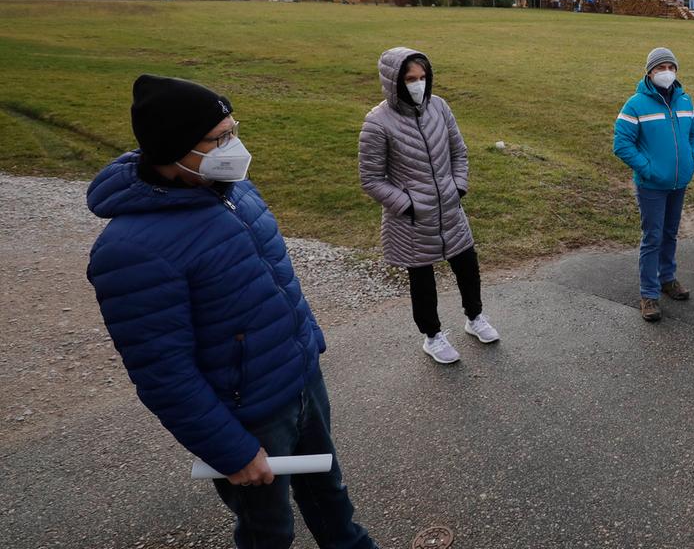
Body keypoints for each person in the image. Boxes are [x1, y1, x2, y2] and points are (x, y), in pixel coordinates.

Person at [86, 74, 376, 549]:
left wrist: (309, 346)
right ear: (173, 149)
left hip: (300, 381)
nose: (234, 147)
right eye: (219, 139)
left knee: (331, 499)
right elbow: (163, 372)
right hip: (248, 418)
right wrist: (231, 450)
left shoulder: (232, 189)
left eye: (234, 131)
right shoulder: (131, 251)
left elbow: (274, 281)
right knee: (268, 531)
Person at [358, 47, 499, 366]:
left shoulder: (440, 107)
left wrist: (458, 186)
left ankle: (474, 317)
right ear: (394, 81)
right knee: (421, 278)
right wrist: (407, 205)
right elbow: (371, 179)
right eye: (410, 79)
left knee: (467, 265)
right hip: (411, 219)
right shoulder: (377, 122)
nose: (418, 84)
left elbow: (459, 152)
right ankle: (432, 336)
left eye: (423, 77)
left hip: (450, 208)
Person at [613, 47, 694, 322]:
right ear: (649, 72)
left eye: (670, 67)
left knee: (670, 233)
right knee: (652, 237)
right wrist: (647, 168)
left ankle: (668, 279)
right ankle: (648, 293)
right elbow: (622, 144)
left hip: (679, 182)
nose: (666, 73)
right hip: (651, 185)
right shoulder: (636, 104)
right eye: (660, 68)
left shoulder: (685, 100)